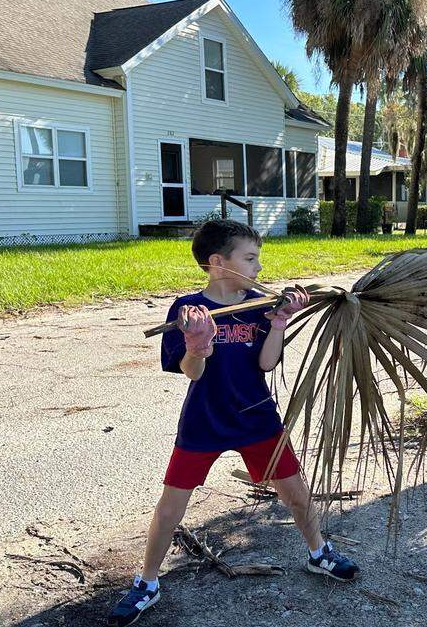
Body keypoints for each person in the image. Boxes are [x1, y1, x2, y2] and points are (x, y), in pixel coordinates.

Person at [108, 220, 359, 627]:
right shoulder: (187, 311)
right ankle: (148, 582)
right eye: (250, 257)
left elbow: (266, 362)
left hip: (256, 415)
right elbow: (192, 372)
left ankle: (319, 553)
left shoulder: (260, 304)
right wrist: (198, 345)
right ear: (217, 262)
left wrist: (278, 324)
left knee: (296, 492)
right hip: (204, 419)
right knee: (171, 506)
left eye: (258, 258)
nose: (258, 266)